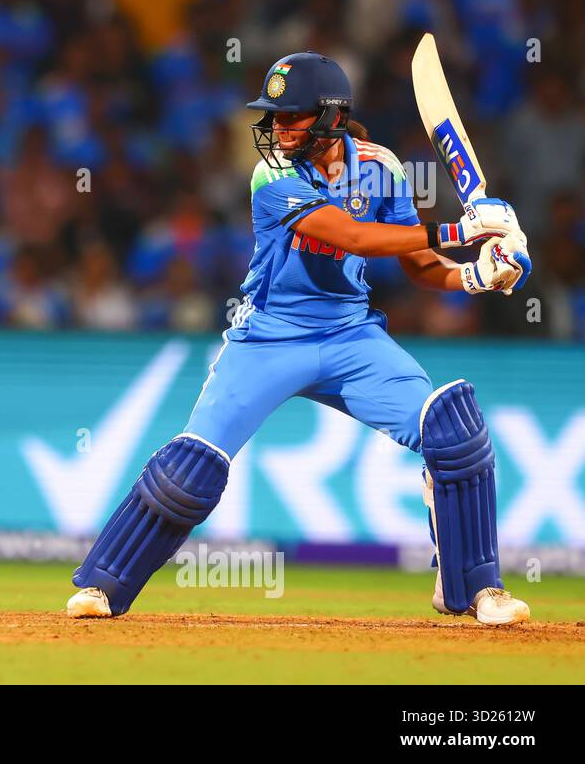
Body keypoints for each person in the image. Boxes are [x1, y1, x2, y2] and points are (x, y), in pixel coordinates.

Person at [67, 52, 534, 625]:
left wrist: (476, 274)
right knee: (192, 469)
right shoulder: (272, 175)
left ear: (332, 117)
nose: (277, 129)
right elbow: (357, 237)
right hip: (268, 337)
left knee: (454, 432)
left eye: (292, 117)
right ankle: (104, 586)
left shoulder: (381, 168)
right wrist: (467, 228)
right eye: (274, 116)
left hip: (350, 335)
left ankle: (475, 589)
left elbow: (416, 260)